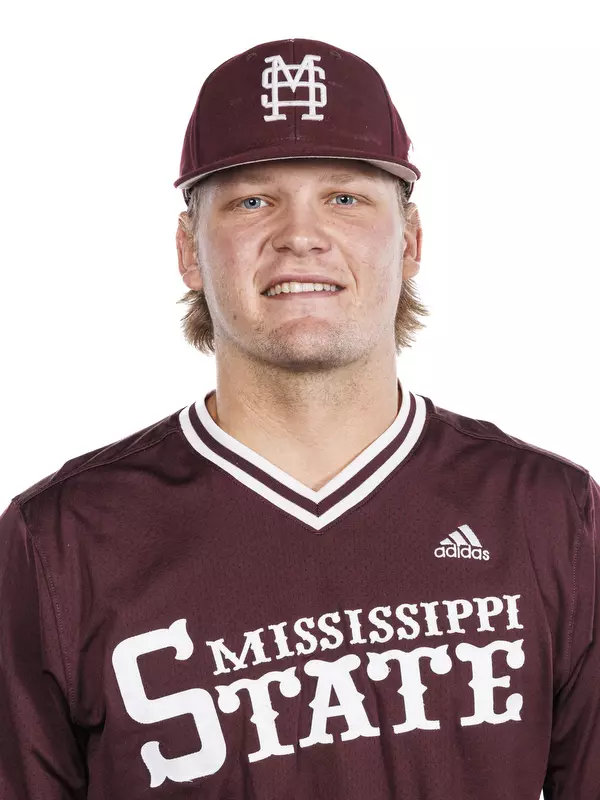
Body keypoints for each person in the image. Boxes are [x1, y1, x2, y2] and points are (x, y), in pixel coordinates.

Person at [0, 37, 597, 800]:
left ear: (411, 241)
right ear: (188, 251)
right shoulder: (60, 543)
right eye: (253, 201)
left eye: (345, 198)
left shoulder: (552, 516)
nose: (300, 235)